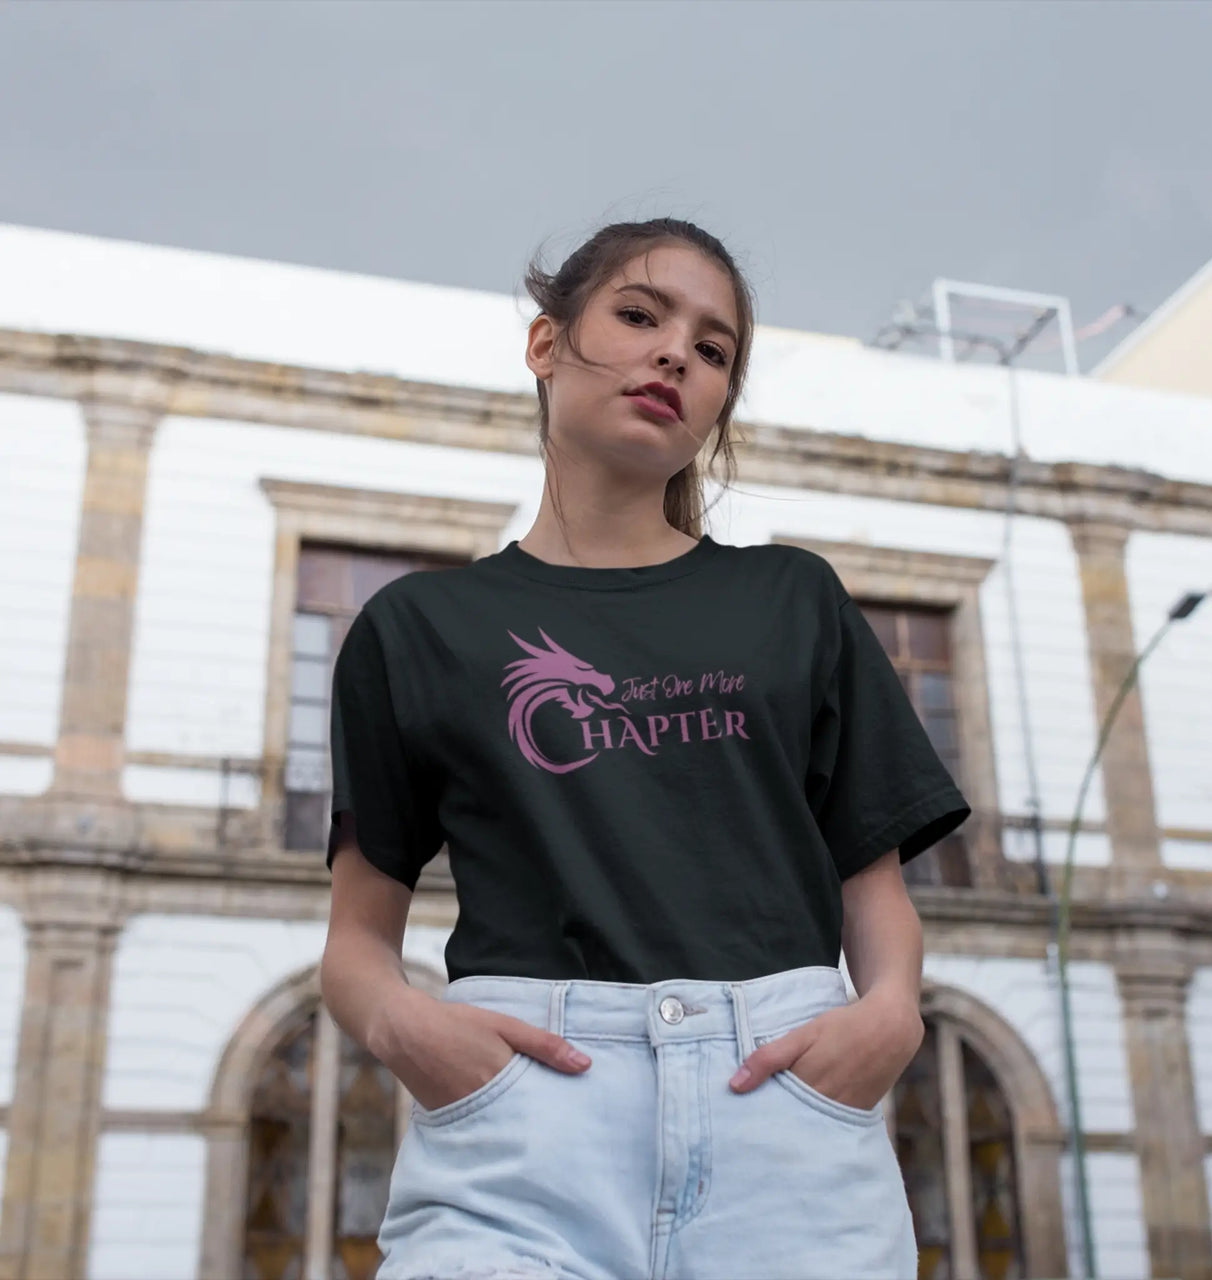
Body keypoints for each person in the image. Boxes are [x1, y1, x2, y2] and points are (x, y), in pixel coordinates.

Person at [321, 217, 970, 1280]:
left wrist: (889, 1011)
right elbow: (356, 936)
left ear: (716, 403)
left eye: (712, 350)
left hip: (782, 1106)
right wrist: (405, 1028)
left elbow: (872, 877)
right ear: (545, 344)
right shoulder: (417, 629)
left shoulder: (790, 598)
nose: (674, 352)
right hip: (526, 1117)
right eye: (637, 314)